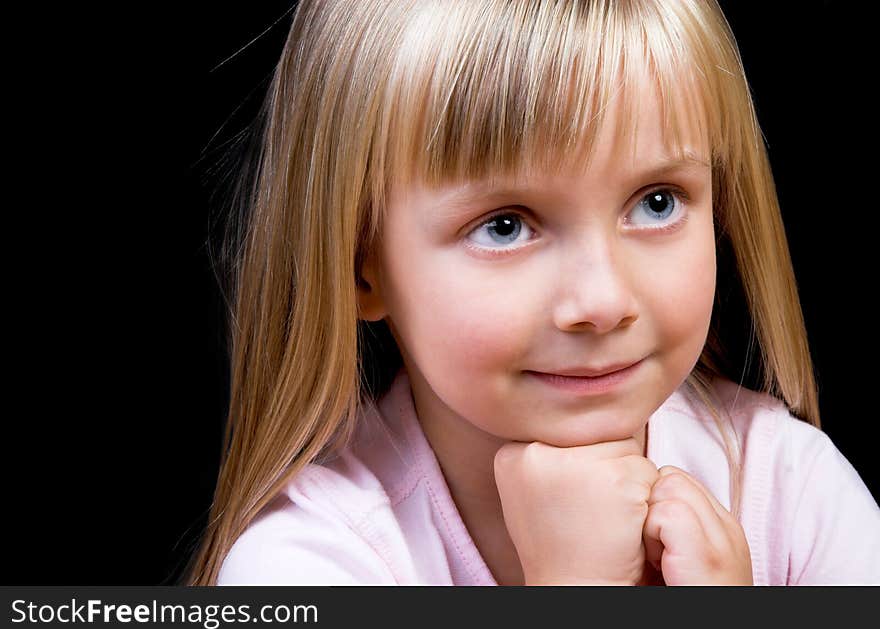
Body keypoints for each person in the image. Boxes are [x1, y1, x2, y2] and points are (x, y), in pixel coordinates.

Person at [182, 0, 880, 586]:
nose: (603, 301)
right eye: (505, 225)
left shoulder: (793, 493)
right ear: (363, 265)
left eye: (657, 201)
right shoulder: (310, 564)